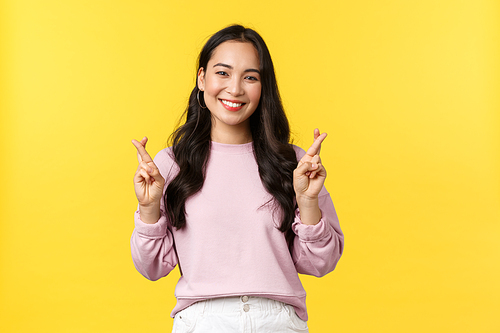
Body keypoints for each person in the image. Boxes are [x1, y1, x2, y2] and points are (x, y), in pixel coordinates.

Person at [130, 24, 344, 333]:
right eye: (223, 73)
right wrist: (149, 210)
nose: (235, 89)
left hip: (278, 322)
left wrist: (308, 201)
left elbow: (321, 264)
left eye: (250, 77)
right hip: (202, 321)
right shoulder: (170, 164)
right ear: (202, 78)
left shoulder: (294, 163)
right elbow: (151, 268)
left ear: (263, 86)